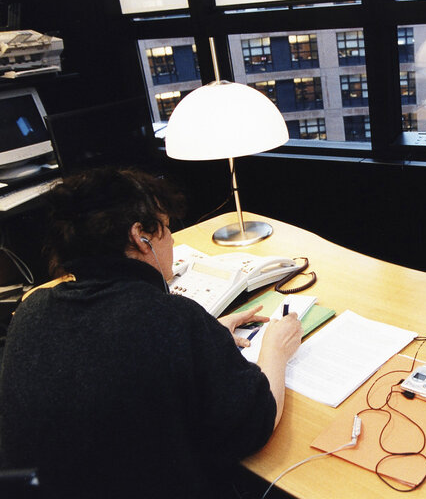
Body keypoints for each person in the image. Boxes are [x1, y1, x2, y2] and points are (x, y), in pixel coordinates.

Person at [0, 168, 302, 498]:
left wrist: (205, 341)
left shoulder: (31, 311)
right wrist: (276, 349)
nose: (173, 239)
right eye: (168, 227)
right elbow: (252, 424)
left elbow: (108, 364)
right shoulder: (172, 318)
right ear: (139, 237)